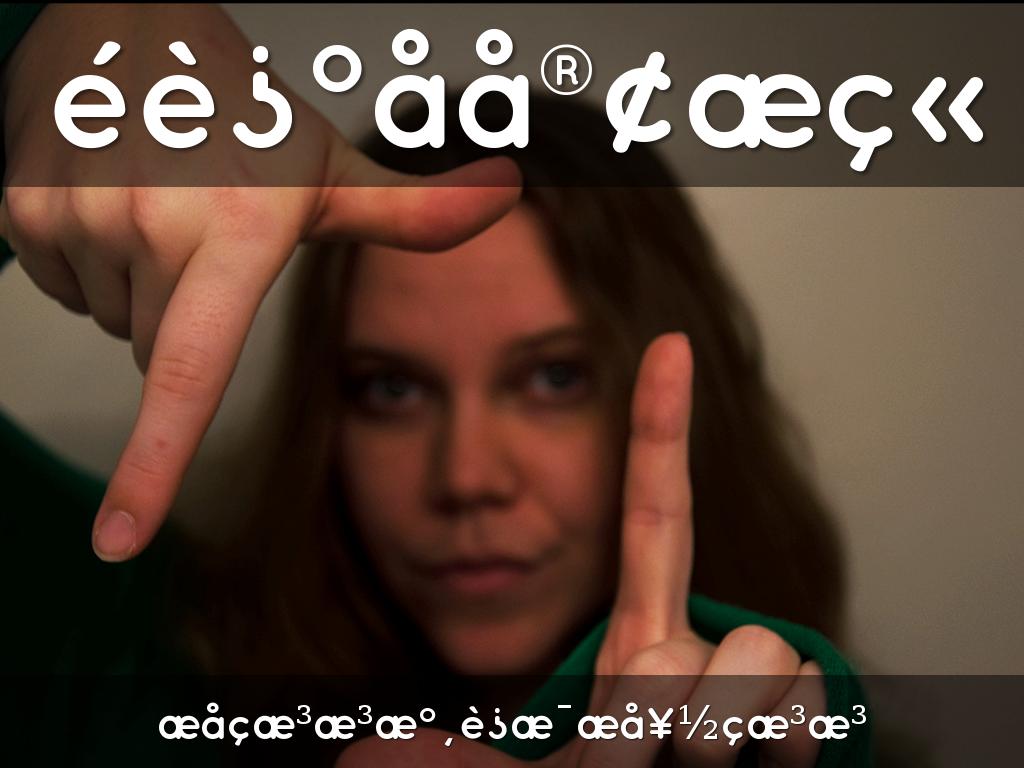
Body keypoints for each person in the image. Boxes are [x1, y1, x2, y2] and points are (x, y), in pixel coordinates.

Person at [1, 7, 869, 767]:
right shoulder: (116, 667)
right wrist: (43, 35)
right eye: (392, 391)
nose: (465, 478)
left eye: (555, 378)